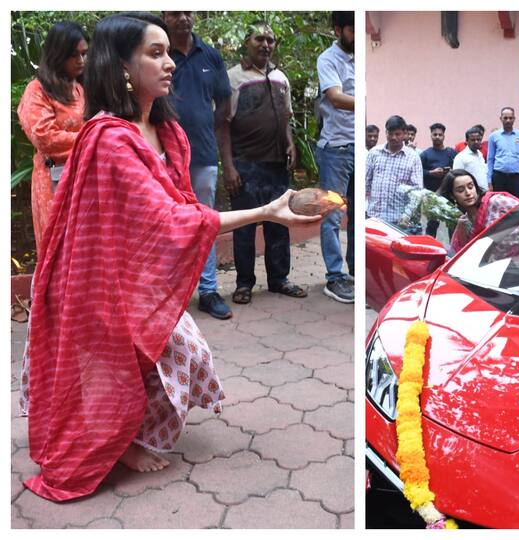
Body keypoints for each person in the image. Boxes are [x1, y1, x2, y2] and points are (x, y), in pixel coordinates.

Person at [19, 13, 320, 503]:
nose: (169, 64)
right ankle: (115, 445)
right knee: (121, 361)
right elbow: (172, 222)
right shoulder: (111, 138)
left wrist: (263, 211)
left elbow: (182, 211)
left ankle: (126, 433)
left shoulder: (167, 131)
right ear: (120, 67)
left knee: (180, 354)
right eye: (154, 54)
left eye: (168, 53)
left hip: (138, 271)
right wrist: (267, 211)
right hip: (99, 276)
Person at [226, 21, 308, 305]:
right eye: (259, 39)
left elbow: (285, 118)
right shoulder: (233, 78)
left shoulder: (281, 78)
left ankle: (279, 279)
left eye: (270, 40)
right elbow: (222, 125)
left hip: (276, 165)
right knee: (245, 226)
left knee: (279, 223)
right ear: (246, 43)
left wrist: (290, 142)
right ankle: (244, 283)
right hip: (245, 164)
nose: (265, 44)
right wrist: (229, 166)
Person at [162, 11, 233, 319]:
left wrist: (203, 127)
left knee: (205, 222)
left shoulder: (211, 55)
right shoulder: (158, 52)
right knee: (165, 223)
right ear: (164, 15)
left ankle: (208, 290)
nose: (183, 18)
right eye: (176, 12)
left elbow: (224, 102)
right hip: (163, 154)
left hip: (203, 153)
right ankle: (170, 296)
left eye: (188, 11)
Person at [17, 21, 88, 248]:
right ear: (58, 54)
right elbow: (44, 137)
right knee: (59, 247)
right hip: (53, 180)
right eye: (73, 55)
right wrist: (92, 140)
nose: (81, 60)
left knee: (84, 246)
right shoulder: (37, 90)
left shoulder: (80, 88)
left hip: (84, 176)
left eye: (84, 54)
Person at [316, 11, 355, 303]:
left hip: (357, 148)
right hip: (336, 151)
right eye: (352, 30)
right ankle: (334, 277)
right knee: (332, 215)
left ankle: (354, 271)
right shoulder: (328, 60)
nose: (355, 37)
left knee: (356, 217)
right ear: (338, 29)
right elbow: (335, 97)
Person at [437, 169, 519, 255]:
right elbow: (461, 255)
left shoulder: (496, 202)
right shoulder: (463, 222)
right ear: (452, 195)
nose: (468, 193)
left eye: (470, 187)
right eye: (461, 190)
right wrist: (462, 235)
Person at [366, 115, 422, 228]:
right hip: (373, 217)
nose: (393, 137)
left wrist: (407, 215)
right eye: (390, 134)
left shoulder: (413, 158)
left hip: (398, 220)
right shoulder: (374, 153)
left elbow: (417, 192)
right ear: (386, 132)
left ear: (404, 134)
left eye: (397, 134)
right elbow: (365, 183)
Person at [420, 122, 457, 236]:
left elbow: (458, 171)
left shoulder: (451, 153)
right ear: (431, 136)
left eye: (440, 135)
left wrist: (450, 173)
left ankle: (454, 251)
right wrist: (431, 172)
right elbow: (417, 172)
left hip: (449, 194)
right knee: (432, 225)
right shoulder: (425, 154)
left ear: (444, 136)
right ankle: (429, 249)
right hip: (433, 195)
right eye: (434, 134)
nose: (437, 137)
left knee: (453, 224)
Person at [486, 107, 519, 198]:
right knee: (499, 205)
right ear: (501, 118)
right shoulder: (493, 136)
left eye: (510, 118)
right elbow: (490, 159)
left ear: (514, 119)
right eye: (505, 118)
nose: (508, 120)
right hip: (498, 177)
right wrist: (489, 181)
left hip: (516, 178)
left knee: (516, 206)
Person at [453, 125, 487, 190]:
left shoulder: (480, 154)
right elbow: (456, 179)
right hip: (470, 193)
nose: (476, 142)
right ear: (467, 141)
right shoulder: (461, 157)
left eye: (478, 139)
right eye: (473, 140)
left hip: (484, 192)